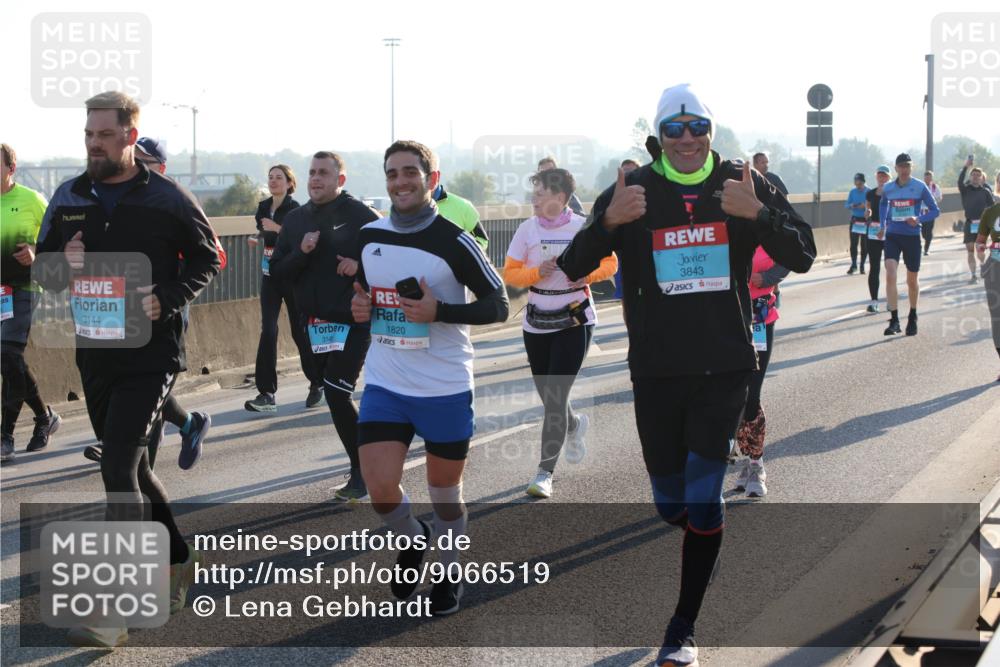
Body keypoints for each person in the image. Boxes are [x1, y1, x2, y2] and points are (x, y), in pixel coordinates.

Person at [559, 84, 815, 667]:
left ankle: (682, 631)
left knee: (702, 503)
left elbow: (802, 251)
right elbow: (572, 266)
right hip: (656, 371)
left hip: (724, 365)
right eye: (673, 129)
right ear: (658, 135)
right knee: (670, 505)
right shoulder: (635, 190)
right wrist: (607, 223)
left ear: (710, 129)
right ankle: (703, 536)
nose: (686, 138)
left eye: (696, 125)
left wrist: (760, 214)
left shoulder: (740, 181)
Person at [35, 91, 220, 647]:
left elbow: (210, 256)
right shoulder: (68, 195)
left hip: (152, 353)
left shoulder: (167, 197)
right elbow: (44, 273)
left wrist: (169, 295)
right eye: (89, 134)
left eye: (105, 135)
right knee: (133, 471)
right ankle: (177, 560)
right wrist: (59, 267)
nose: (94, 143)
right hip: (94, 351)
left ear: (130, 138)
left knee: (116, 467)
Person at [351, 140, 508, 616]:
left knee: (445, 495)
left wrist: (441, 310)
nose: (401, 181)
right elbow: (364, 296)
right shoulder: (368, 235)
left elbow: (498, 304)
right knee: (379, 488)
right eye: (392, 173)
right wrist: (357, 308)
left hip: (443, 385)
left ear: (431, 180)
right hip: (386, 380)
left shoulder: (453, 240)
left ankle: (450, 570)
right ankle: (414, 540)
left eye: (410, 173)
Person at [84, 137, 217, 468]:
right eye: (134, 159)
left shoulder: (174, 200)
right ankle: (182, 426)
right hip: (118, 311)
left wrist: (170, 291)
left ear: (162, 167)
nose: (137, 167)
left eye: (146, 161)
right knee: (127, 383)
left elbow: (215, 256)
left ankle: (129, 454)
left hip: (165, 308)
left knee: (146, 386)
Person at [268, 152, 380, 502]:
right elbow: (277, 271)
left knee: (337, 391)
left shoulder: (363, 217)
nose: (316, 179)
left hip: (353, 321)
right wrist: (301, 252)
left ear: (340, 180)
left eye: (324, 173)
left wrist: (359, 267)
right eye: (312, 173)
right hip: (311, 322)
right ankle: (369, 459)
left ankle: (362, 471)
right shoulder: (296, 219)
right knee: (329, 390)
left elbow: (389, 262)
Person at [502, 168, 616, 498]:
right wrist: (538, 271)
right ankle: (575, 424)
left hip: (575, 318)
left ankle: (544, 473)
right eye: (533, 194)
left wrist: (586, 275)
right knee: (550, 395)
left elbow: (611, 264)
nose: (533, 200)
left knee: (554, 397)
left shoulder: (583, 227)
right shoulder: (527, 229)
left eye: (539, 194)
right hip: (536, 320)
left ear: (560, 198)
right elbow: (511, 273)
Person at [245, 164, 324, 412]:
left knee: (299, 331)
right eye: (270, 177)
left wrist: (277, 229)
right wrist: (257, 236)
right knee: (268, 330)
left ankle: (317, 383)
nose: (273, 181)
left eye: (279, 177)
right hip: (270, 275)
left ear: (290, 183)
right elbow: (264, 230)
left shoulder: (297, 210)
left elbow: (297, 239)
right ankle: (266, 393)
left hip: (291, 275)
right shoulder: (263, 207)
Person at [1, 143, 61, 462]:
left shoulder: (32, 200)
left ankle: (5, 436)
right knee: (8, 360)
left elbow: (57, 237)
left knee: (8, 354)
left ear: (11, 169)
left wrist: (37, 254)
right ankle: (44, 417)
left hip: (24, 287)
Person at [733, 247, 789, 498]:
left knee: (752, 392)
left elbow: (792, 255)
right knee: (734, 394)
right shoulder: (723, 223)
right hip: (728, 319)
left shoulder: (767, 228)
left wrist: (767, 279)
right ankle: (744, 457)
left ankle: (756, 464)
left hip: (760, 319)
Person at [877, 153, 940, 336]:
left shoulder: (919, 187)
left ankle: (912, 315)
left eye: (908, 167)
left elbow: (936, 210)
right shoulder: (888, 188)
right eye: (901, 167)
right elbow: (883, 205)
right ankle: (894, 319)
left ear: (911, 168)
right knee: (890, 273)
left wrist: (918, 218)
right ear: (896, 168)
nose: (904, 170)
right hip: (893, 236)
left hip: (912, 237)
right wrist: (882, 225)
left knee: (912, 280)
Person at [432, 159, 489, 251]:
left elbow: (481, 240)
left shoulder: (464, 206)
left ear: (435, 177)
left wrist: (459, 258)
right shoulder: (402, 209)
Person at [958, 158, 995, 284]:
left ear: (981, 178)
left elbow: (993, 209)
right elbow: (959, 181)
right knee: (970, 250)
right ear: (971, 176)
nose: (975, 177)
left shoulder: (986, 192)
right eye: (973, 175)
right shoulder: (965, 189)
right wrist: (965, 167)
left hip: (981, 225)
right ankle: (973, 275)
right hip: (969, 223)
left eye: (978, 175)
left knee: (980, 250)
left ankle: (983, 265)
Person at [974, 202, 1000, 382]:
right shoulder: (991, 212)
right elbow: (981, 240)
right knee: (997, 316)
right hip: (995, 267)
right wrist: (980, 249)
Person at [864, 166, 891, 313]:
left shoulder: (893, 193)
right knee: (874, 268)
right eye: (880, 176)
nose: (882, 179)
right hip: (874, 233)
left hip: (889, 234)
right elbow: (868, 210)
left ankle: (889, 299)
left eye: (885, 176)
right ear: (876, 177)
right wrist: (867, 213)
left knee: (890, 267)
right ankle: (874, 301)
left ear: (889, 177)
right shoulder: (870, 193)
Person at [614, 159, 641, 300]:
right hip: (622, 256)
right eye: (625, 173)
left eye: (632, 172)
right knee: (625, 296)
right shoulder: (612, 196)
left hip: (647, 254)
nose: (628, 175)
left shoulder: (652, 194)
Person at [845, 172, 869, 275]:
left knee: (864, 245)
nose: (858, 186)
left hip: (865, 220)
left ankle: (862, 265)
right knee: (853, 244)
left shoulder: (869, 191)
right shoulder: (852, 192)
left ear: (863, 182)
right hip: (855, 220)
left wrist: (865, 206)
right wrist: (852, 205)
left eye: (859, 183)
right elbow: (846, 204)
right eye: (856, 183)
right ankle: (854, 264)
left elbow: (873, 205)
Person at [921, 170, 943, 255]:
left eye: (929, 177)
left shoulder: (934, 187)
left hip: (931, 211)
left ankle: (926, 249)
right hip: (921, 211)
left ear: (931, 178)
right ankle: (926, 238)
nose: (928, 178)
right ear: (924, 178)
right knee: (923, 232)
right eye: (926, 177)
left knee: (929, 230)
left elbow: (939, 197)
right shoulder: (921, 186)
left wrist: (933, 200)